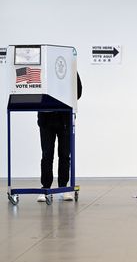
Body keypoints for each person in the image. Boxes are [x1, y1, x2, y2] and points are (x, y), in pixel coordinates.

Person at [37, 73, 82, 202]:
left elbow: (78, 90)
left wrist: (65, 99)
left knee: (64, 154)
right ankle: (45, 188)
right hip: (46, 120)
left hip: (65, 119)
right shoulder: (43, 69)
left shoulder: (69, 67)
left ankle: (63, 188)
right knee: (47, 154)